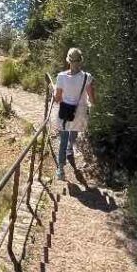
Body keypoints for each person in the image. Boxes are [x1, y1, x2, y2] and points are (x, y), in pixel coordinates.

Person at [53, 48, 95, 180]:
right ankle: (70, 148)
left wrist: (54, 92)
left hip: (66, 111)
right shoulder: (87, 77)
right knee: (75, 130)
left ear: (68, 60)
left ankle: (60, 170)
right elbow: (92, 99)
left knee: (63, 139)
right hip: (79, 112)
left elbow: (58, 99)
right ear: (80, 61)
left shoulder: (61, 77)